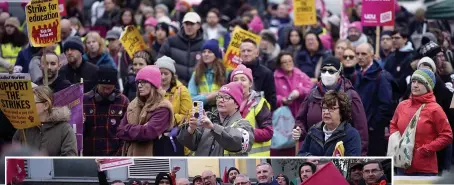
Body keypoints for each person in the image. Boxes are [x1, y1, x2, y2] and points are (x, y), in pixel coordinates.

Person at [293, 56, 368, 155]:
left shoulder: (350, 95)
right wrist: (300, 130)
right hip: (316, 144)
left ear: (339, 73)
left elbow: (361, 130)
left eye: (331, 71)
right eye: (324, 70)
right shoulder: (313, 93)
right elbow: (300, 120)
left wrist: (359, 159)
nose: (327, 74)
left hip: (342, 145)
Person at [391, 69, 452, 176]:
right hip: (402, 165)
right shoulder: (402, 105)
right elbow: (393, 124)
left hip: (424, 169)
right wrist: (396, 141)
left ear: (428, 86)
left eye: (420, 82)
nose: (415, 85)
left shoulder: (435, 109)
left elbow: (447, 135)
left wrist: (426, 149)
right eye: (413, 81)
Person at [177, 82, 254, 156]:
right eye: (219, 97)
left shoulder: (244, 124)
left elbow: (237, 142)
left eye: (226, 98)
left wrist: (213, 127)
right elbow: (187, 143)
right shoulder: (207, 118)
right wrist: (191, 129)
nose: (221, 100)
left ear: (237, 104)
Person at [116, 65, 174, 156]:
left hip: (153, 157)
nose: (139, 85)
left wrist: (128, 128)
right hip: (130, 155)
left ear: (153, 84)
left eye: (144, 82)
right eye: (138, 82)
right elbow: (119, 131)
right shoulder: (133, 104)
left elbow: (148, 132)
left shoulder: (163, 107)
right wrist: (140, 128)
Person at [352, 43, 394, 156]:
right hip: (357, 129)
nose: (360, 57)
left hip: (373, 133)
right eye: (357, 54)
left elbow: (386, 105)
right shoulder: (356, 75)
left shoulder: (381, 76)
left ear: (372, 55)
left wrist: (372, 126)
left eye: (364, 54)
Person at [12, 86, 77, 156]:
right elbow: (13, 158)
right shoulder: (23, 129)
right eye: (26, 103)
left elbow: (69, 160)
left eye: (31, 103)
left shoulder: (64, 129)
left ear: (46, 105)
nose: (27, 107)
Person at [83, 66, 129, 156]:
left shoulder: (123, 102)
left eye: (110, 88)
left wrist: (120, 153)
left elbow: (126, 132)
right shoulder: (84, 100)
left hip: (115, 156)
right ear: (98, 84)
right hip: (89, 156)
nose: (107, 91)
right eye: (104, 87)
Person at [298, 90, 361, 156]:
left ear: (342, 111)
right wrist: (308, 158)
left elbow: (352, 162)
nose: (326, 112)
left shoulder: (351, 134)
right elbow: (301, 154)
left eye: (332, 108)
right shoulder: (313, 131)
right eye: (324, 108)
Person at [231, 65, 272, 156]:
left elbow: (268, 132)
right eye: (235, 80)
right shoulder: (226, 104)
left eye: (243, 79)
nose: (239, 83)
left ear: (250, 83)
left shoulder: (259, 103)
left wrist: (245, 132)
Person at [155, 56, 192, 156]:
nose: (162, 77)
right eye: (160, 73)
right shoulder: (152, 90)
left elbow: (188, 114)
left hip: (176, 139)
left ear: (172, 74)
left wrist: (166, 119)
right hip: (155, 139)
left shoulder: (181, 90)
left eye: (166, 73)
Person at [158, 12, 205, 84]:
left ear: (198, 25)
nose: (189, 27)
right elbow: (160, 61)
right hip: (174, 84)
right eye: (186, 24)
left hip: (197, 84)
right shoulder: (171, 41)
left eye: (192, 24)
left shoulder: (204, 44)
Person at [188, 39, 227, 111]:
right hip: (199, 110)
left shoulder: (225, 72)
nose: (206, 54)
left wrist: (203, 96)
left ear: (216, 55)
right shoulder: (196, 73)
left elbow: (229, 95)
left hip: (220, 110)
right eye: (204, 52)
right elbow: (191, 99)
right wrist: (210, 96)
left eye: (210, 52)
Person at [238, 39, 276, 110]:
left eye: (249, 51)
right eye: (243, 51)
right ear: (240, 54)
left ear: (257, 53)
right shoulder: (234, 73)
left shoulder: (266, 73)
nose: (246, 54)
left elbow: (271, 100)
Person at [274, 51, 312, 117]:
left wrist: (299, 92)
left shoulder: (301, 75)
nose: (288, 64)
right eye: (285, 62)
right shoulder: (275, 78)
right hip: (284, 116)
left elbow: (311, 89)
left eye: (290, 61)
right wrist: (282, 100)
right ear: (280, 65)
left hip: (302, 114)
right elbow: (271, 96)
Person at [383, 28, 414, 98]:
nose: (393, 40)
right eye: (392, 38)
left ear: (405, 39)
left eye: (397, 38)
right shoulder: (391, 56)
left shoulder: (411, 57)